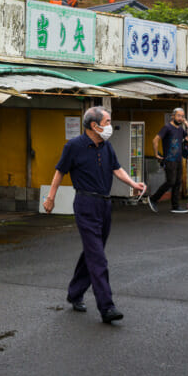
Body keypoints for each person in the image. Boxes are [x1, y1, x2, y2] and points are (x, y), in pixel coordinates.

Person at [43, 106, 147, 324]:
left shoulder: (106, 146)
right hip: (86, 203)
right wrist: (50, 198)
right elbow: (60, 171)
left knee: (92, 252)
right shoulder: (74, 146)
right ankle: (107, 306)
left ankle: (74, 293)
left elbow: (116, 169)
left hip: (104, 204)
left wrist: (132, 184)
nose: (110, 126)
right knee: (98, 257)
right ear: (94, 125)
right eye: (107, 121)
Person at [147, 107, 188, 214]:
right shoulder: (167, 127)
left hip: (178, 159)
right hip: (169, 159)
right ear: (173, 116)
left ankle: (175, 206)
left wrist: (187, 125)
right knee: (171, 182)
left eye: (182, 116)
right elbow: (155, 139)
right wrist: (156, 153)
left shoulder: (180, 129)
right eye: (178, 116)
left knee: (178, 182)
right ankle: (153, 199)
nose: (180, 118)